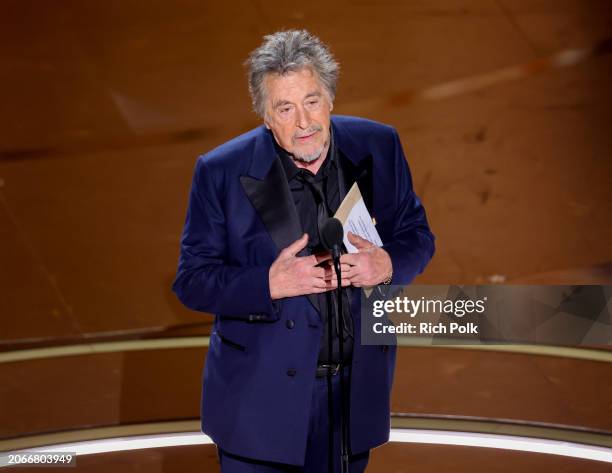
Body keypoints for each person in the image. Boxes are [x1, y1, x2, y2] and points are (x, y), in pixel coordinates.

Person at [172, 29, 435, 472]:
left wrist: (387, 263)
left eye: (312, 101)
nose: (304, 122)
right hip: (259, 409)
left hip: (352, 403)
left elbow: (416, 233)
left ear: (330, 99)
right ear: (266, 117)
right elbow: (192, 280)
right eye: (285, 108)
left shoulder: (379, 145)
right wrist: (267, 283)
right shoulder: (219, 172)